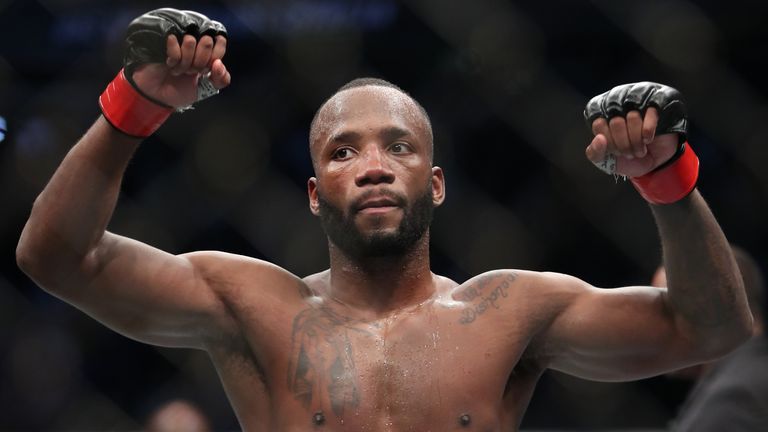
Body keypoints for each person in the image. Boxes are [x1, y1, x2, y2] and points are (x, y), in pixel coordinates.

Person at [16, 8, 753, 431]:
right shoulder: (251, 305)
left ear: (435, 185)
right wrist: (132, 108)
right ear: (312, 193)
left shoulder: (508, 310)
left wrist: (665, 179)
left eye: (397, 147)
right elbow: (56, 257)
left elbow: (711, 330)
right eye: (343, 152)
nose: (371, 164)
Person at [652, 247, 768, 431]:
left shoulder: (734, 396)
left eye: (666, 310)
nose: (653, 327)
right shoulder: (748, 375)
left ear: (711, 308)